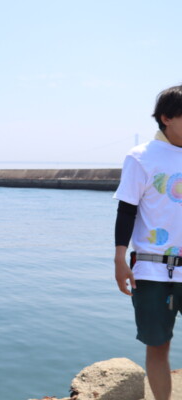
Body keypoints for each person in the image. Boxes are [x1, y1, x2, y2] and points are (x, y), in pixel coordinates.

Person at [114, 84, 182, 400]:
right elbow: (126, 210)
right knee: (158, 346)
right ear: (166, 118)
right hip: (153, 272)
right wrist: (119, 259)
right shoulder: (141, 157)